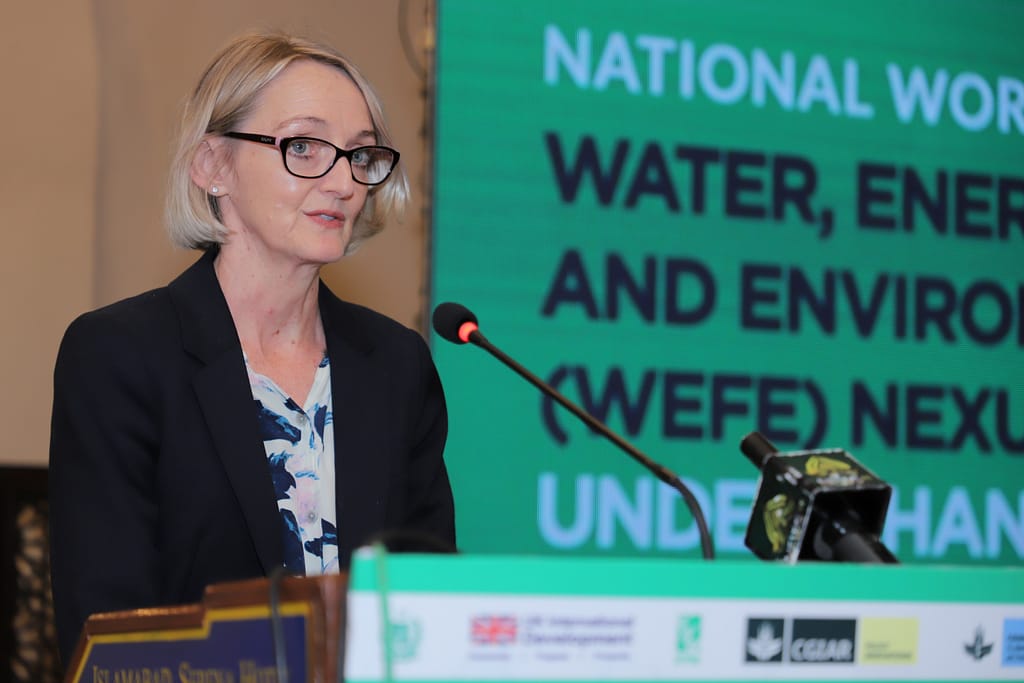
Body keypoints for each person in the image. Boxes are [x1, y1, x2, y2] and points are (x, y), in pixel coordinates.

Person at [48, 31, 455, 662]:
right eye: (305, 145)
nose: (344, 182)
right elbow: (107, 630)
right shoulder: (121, 356)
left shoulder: (396, 366)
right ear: (213, 166)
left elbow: (432, 608)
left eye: (360, 155)